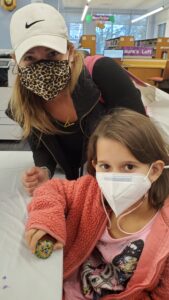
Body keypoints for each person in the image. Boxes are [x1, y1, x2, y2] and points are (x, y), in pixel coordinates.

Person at [25, 108, 169, 299]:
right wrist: (47, 221)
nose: (114, 176)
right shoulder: (91, 191)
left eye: (129, 167)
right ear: (94, 165)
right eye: (105, 166)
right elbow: (52, 190)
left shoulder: (164, 235)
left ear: (154, 170)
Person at [8, 2, 146, 196]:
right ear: (16, 60)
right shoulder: (23, 103)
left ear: (70, 52)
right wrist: (44, 170)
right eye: (30, 58)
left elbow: (141, 137)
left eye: (52, 53)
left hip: (116, 179)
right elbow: (40, 146)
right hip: (74, 181)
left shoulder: (102, 73)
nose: (43, 67)